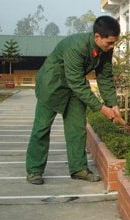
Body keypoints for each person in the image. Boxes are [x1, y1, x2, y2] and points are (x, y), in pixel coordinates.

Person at [26, 16, 122, 185]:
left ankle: (79, 169)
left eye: (114, 43)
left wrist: (113, 104)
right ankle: (34, 170)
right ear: (97, 37)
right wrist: (101, 108)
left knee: (77, 128)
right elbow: (76, 81)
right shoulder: (76, 46)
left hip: (74, 88)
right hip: (52, 85)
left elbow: (105, 77)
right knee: (41, 128)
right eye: (109, 43)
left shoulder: (106, 49)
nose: (112, 46)